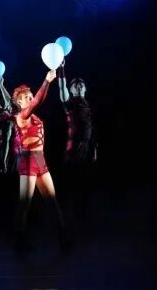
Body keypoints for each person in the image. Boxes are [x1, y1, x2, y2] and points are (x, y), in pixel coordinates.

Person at [11, 69, 67, 249]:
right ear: (19, 102)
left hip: (40, 160)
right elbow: (38, 101)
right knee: (24, 204)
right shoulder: (22, 116)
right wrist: (47, 81)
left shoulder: (33, 116)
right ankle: (19, 242)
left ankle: (63, 237)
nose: (30, 97)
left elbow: (36, 102)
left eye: (30, 95)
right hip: (28, 161)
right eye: (26, 97)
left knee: (52, 201)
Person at [58, 67, 95, 222]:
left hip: (86, 148)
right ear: (71, 89)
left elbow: (90, 128)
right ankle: (65, 215)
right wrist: (61, 68)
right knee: (72, 182)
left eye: (81, 84)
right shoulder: (70, 103)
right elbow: (61, 87)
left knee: (85, 182)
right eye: (75, 84)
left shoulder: (87, 104)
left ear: (85, 88)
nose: (78, 86)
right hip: (73, 149)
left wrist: (94, 149)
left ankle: (83, 214)